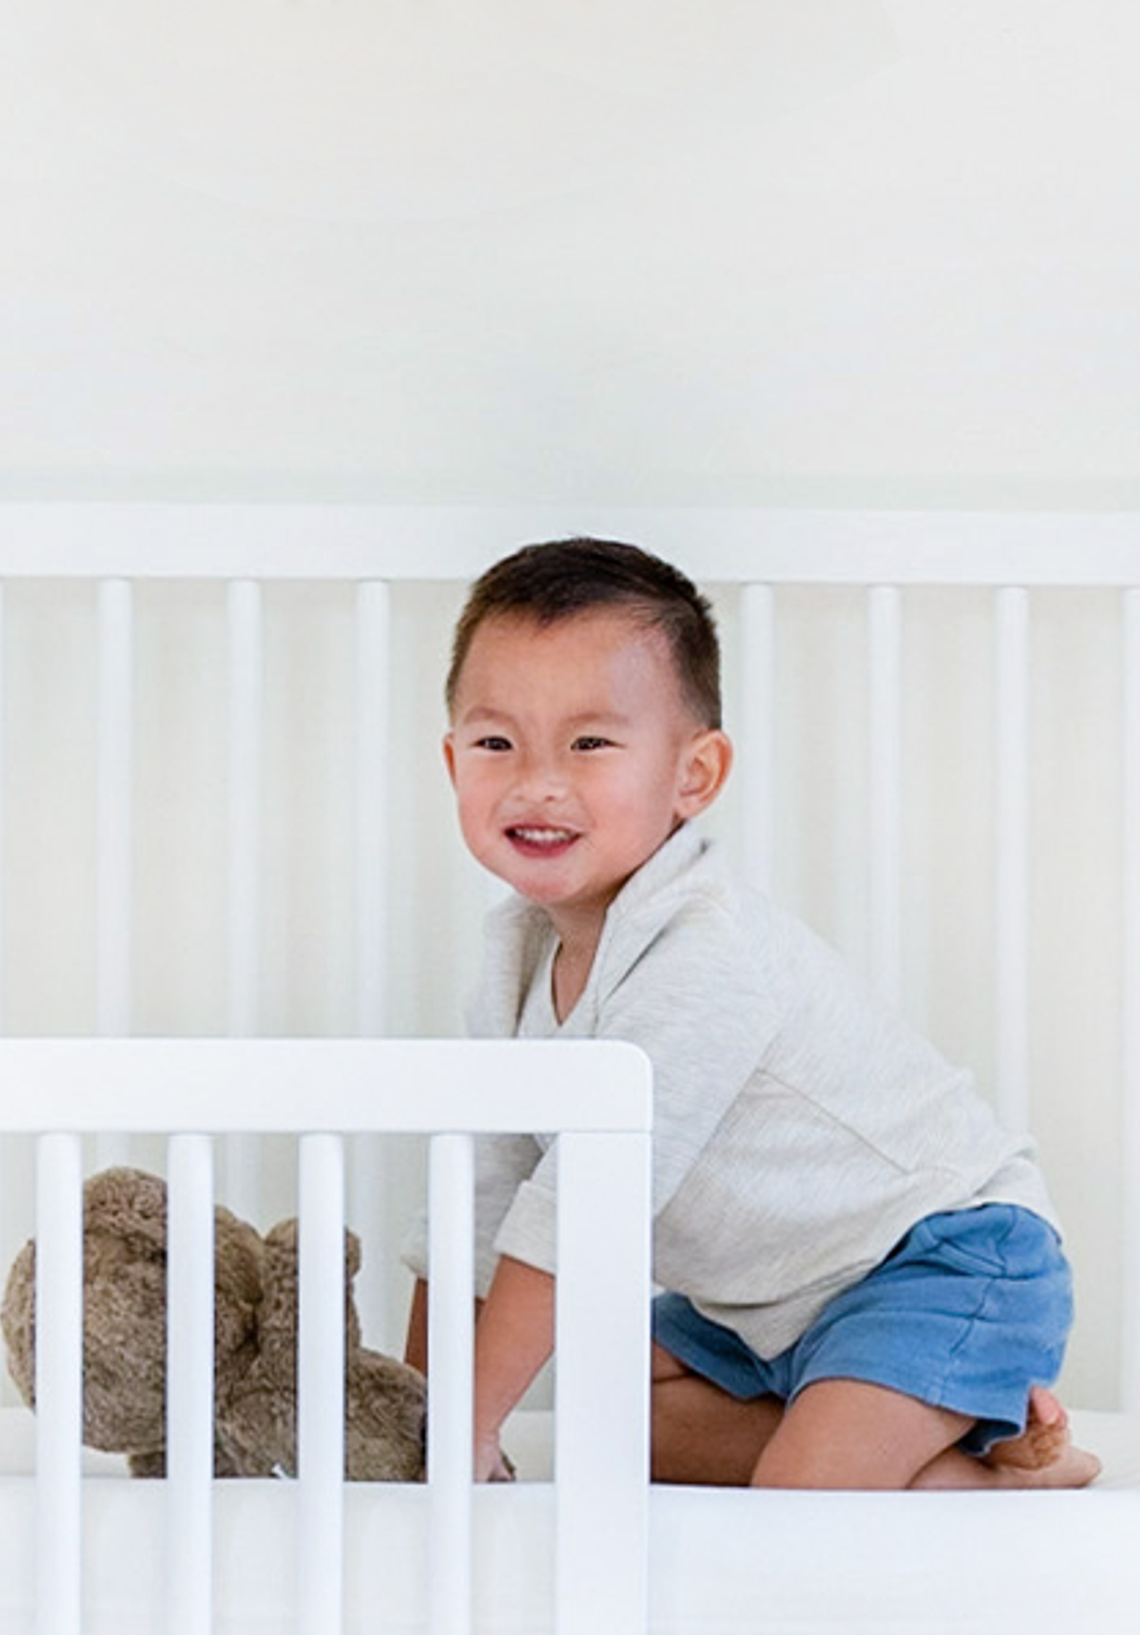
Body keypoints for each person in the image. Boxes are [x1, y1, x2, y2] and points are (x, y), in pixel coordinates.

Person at [401, 537, 1096, 1492]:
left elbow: (581, 1213)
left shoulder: (705, 953)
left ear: (694, 775)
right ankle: (911, 1434)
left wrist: (471, 1426)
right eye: (495, 743)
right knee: (604, 1420)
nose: (538, 780)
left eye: (590, 742)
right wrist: (412, 1424)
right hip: (766, 1314)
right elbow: (476, 1212)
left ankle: (990, 1474)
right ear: (451, 761)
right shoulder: (510, 963)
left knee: (798, 1499)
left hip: (937, 1261)